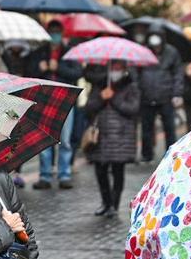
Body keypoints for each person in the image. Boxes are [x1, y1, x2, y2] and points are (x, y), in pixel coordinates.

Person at [26, 20, 81, 190]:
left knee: (64, 141)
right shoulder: (38, 53)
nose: (55, 35)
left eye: (58, 31)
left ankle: (64, 174)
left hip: (65, 102)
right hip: (44, 103)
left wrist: (59, 68)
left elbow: (77, 73)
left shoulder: (69, 54)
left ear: (62, 33)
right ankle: (45, 176)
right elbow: (29, 74)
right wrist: (40, 68)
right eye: (52, 31)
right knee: (44, 141)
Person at [84, 61, 140, 217]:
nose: (116, 71)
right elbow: (89, 108)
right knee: (100, 171)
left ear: (124, 69)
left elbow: (133, 109)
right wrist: (102, 97)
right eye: (113, 68)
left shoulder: (131, 86)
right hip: (101, 136)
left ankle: (114, 204)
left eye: (119, 68)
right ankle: (105, 202)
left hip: (121, 136)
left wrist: (114, 98)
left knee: (118, 171)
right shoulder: (100, 85)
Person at [137, 30, 183, 163]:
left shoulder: (172, 52)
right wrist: (138, 88)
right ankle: (147, 155)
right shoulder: (143, 52)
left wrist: (177, 93)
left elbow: (178, 74)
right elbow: (136, 72)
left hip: (166, 96)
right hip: (146, 96)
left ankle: (171, 154)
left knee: (169, 127)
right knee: (146, 128)